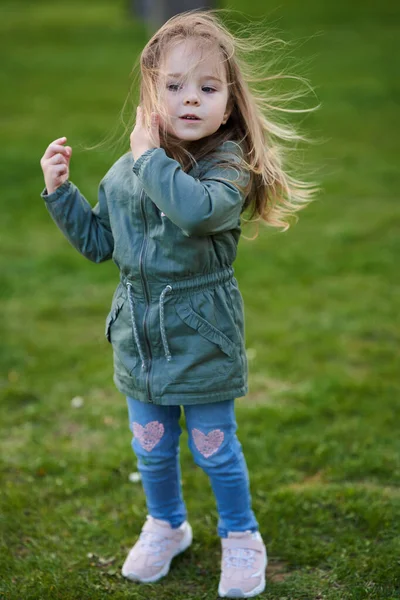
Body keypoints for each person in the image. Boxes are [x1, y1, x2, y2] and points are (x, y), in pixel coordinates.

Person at [39, 9, 317, 598]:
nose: (190, 99)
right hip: (138, 334)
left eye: (207, 88)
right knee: (152, 446)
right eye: (174, 86)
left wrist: (148, 160)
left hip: (201, 331)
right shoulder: (126, 172)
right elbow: (99, 245)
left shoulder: (228, 168)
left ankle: (242, 536)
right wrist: (61, 193)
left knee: (214, 447)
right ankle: (166, 524)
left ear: (230, 102)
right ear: (151, 93)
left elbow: (194, 211)